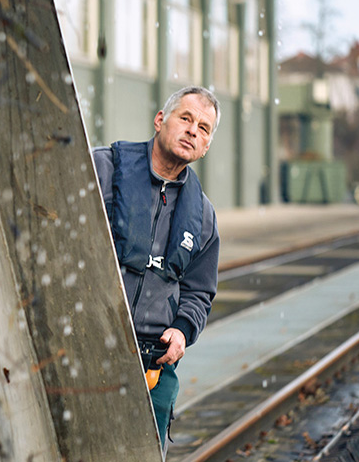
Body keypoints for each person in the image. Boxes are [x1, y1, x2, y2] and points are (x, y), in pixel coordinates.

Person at [92, 86, 220, 449]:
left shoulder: (203, 216)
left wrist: (182, 330)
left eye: (204, 128)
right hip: (86, 347)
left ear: (206, 146)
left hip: (151, 369)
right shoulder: (102, 169)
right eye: (185, 118)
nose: (193, 130)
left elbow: (199, 291)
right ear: (160, 120)